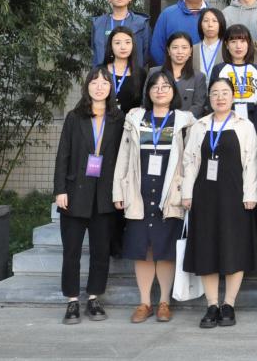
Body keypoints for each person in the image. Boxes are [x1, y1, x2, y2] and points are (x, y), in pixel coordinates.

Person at [114, 69, 194, 324]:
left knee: (166, 249)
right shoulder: (136, 119)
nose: (160, 90)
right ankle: (144, 302)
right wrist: (118, 190)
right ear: (148, 92)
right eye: (155, 86)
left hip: (169, 191)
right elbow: (123, 156)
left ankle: (164, 302)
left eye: (166, 86)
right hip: (139, 189)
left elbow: (191, 160)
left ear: (174, 91)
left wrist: (188, 192)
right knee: (143, 249)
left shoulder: (184, 121)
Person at [181, 77, 257, 329]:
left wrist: (250, 194)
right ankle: (212, 304)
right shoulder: (200, 126)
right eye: (215, 93)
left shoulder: (244, 125)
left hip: (235, 196)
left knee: (233, 248)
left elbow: (251, 162)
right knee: (207, 248)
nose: (220, 97)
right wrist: (187, 193)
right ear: (209, 98)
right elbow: (189, 161)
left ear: (233, 97)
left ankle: (229, 304)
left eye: (225, 92)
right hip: (204, 196)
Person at [53, 66, 122, 325]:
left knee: (100, 251)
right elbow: (63, 155)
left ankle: (94, 297)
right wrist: (60, 190)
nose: (99, 87)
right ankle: (72, 300)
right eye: (94, 82)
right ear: (87, 87)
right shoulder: (75, 117)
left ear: (110, 88)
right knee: (71, 251)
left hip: (104, 195)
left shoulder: (118, 119)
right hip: (74, 194)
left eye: (105, 82)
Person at [209, 24, 257, 127]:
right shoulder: (218, 70)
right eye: (233, 42)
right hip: (225, 122)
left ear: (249, 44)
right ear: (226, 45)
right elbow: (213, 100)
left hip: (253, 122)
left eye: (243, 41)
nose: (238, 46)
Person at [150, 0, 208, 65]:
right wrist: (168, 70)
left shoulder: (213, 16)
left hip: (206, 71)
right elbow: (157, 47)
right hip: (173, 71)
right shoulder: (168, 14)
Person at [91, 0, 151, 68]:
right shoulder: (99, 23)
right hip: (104, 74)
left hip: (132, 73)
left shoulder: (141, 23)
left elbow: (146, 53)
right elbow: (95, 51)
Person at [143, 32, 206, 118]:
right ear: (168, 51)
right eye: (175, 47)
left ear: (190, 51)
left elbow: (198, 106)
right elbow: (146, 100)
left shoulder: (198, 77)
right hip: (157, 121)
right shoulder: (154, 72)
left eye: (184, 48)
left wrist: (178, 120)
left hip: (186, 123)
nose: (180, 52)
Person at [104, 26, 144, 114]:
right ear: (111, 46)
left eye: (127, 42)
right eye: (117, 43)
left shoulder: (141, 74)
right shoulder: (101, 71)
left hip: (130, 121)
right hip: (104, 120)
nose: (123, 47)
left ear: (133, 45)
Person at [193, 8, 225, 82]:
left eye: (214, 21)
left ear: (221, 24)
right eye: (206, 21)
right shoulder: (192, 49)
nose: (210, 25)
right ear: (200, 24)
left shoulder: (227, 49)